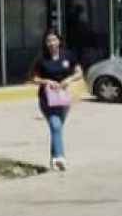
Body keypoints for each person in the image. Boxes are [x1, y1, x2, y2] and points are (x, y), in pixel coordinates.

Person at [28, 29, 83, 171]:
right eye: (48, 41)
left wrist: (69, 79)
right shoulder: (41, 59)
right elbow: (33, 78)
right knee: (56, 125)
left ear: (59, 41)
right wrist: (47, 81)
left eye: (54, 40)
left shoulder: (68, 56)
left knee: (56, 129)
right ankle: (60, 157)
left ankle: (53, 159)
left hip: (63, 98)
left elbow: (79, 73)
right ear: (45, 43)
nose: (51, 43)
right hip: (47, 99)